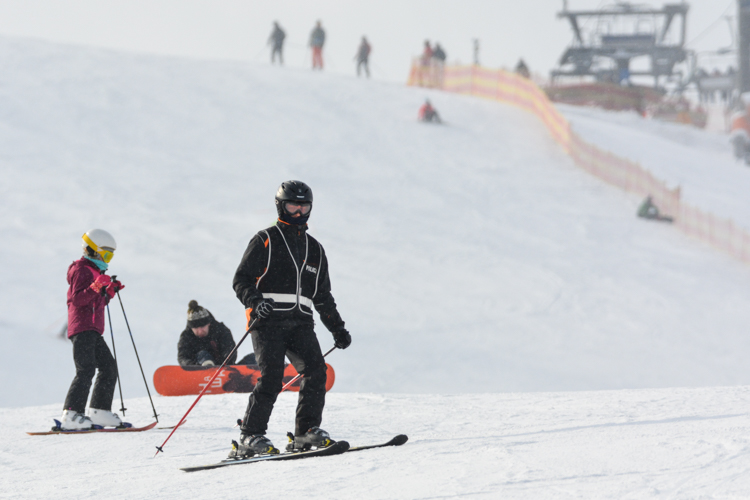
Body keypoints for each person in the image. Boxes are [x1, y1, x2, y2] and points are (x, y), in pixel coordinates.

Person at [231, 180, 351, 456]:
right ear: (280, 206)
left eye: (303, 206)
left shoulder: (316, 250)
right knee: (272, 377)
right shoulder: (265, 239)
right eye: (292, 205)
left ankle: (306, 433)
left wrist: (338, 329)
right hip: (268, 322)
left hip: (301, 323)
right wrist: (255, 302)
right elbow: (242, 280)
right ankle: (250, 436)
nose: (298, 211)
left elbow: (322, 296)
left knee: (316, 371)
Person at [60, 229, 125, 430]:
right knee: (85, 369)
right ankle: (71, 414)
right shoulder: (81, 270)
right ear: (92, 250)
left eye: (110, 255)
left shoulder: (96, 272)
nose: (108, 259)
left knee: (109, 367)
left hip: (93, 329)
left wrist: (109, 292)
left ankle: (99, 411)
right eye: (105, 254)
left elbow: (96, 302)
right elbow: (77, 299)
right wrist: (96, 287)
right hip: (81, 328)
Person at [177, 300, 237, 367]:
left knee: (251, 358)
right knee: (203, 354)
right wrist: (194, 366)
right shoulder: (186, 337)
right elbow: (183, 358)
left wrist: (223, 362)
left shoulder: (221, 330)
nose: (200, 331)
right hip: (198, 371)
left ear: (209, 324)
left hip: (223, 368)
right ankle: (207, 367)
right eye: (196, 328)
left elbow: (230, 350)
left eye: (202, 326)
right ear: (191, 328)